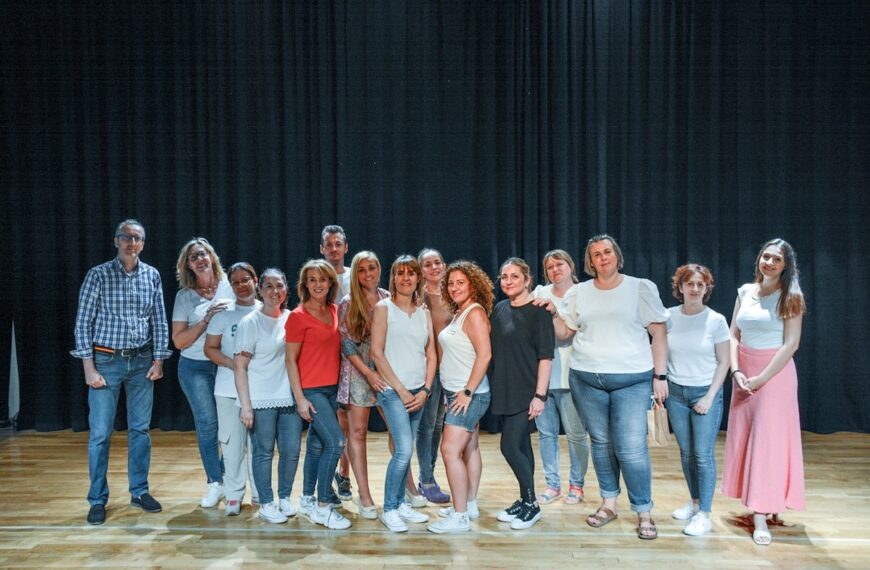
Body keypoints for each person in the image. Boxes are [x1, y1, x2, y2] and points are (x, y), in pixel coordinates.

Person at [543, 234, 669, 540]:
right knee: (601, 443)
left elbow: (659, 332)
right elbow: (565, 333)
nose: (603, 258)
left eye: (607, 252)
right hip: (586, 378)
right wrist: (551, 312)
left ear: (617, 255)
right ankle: (609, 503)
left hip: (631, 379)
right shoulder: (579, 292)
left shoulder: (640, 287)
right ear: (589, 261)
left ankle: (644, 510)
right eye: (596, 254)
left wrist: (660, 376)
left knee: (631, 449)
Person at [71, 219, 170, 525]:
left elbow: (160, 320)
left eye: (137, 238)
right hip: (106, 362)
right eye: (126, 237)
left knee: (140, 430)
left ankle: (139, 491)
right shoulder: (98, 275)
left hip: (141, 362)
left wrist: (159, 360)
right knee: (100, 434)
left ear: (143, 243)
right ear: (116, 241)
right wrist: (88, 368)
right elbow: (82, 323)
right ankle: (97, 498)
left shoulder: (151, 275)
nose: (131, 242)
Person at [721, 239, 806, 546]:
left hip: (774, 374)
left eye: (777, 259)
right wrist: (737, 371)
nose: (769, 262)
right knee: (747, 441)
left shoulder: (791, 296)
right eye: (766, 256)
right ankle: (761, 504)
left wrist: (760, 379)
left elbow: (791, 345)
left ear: (785, 266)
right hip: (743, 371)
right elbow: (732, 335)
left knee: (767, 444)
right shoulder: (744, 291)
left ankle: (760, 515)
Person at [370, 255, 438, 532]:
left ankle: (400, 503)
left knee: (404, 451)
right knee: (403, 450)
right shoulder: (383, 308)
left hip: (418, 392)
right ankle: (389, 508)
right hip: (391, 391)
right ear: (394, 278)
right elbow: (376, 352)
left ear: (418, 278)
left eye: (411, 273)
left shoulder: (424, 312)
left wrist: (426, 389)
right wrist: (399, 389)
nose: (406, 278)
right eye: (400, 273)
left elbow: (431, 353)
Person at [664, 264, 731, 536]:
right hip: (676, 393)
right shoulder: (667, 317)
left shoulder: (716, 320)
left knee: (703, 456)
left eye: (699, 285)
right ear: (680, 287)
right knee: (686, 453)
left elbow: (724, 361)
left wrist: (710, 396)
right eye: (689, 284)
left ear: (706, 288)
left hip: (705, 393)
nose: (694, 289)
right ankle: (694, 503)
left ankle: (705, 513)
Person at [427, 261, 493, 534]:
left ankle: (460, 516)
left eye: (460, 283)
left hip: (468, 394)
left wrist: (466, 391)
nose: (454, 287)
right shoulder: (460, 313)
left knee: (449, 450)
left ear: (473, 285)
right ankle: (469, 503)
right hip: (460, 392)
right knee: (470, 449)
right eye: (450, 283)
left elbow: (485, 354)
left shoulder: (474, 313)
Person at [285, 260, 352, 530]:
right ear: (304, 285)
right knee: (336, 443)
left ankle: (306, 498)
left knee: (316, 447)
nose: (317, 284)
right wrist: (300, 398)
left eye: (322, 279)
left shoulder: (335, 310)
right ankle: (324, 505)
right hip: (311, 391)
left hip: (331, 389)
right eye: (311, 280)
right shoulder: (297, 316)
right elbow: (290, 361)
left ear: (330, 283)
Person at [489, 258, 554, 530]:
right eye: (504, 276)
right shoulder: (500, 309)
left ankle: (532, 503)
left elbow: (546, 357)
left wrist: (540, 396)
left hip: (527, 391)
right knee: (523, 447)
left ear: (527, 280)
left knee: (509, 446)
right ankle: (524, 500)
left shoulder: (539, 312)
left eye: (515, 276)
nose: (508, 281)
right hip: (503, 388)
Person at [233, 268, 302, 524]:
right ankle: (266, 501)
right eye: (269, 286)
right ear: (260, 289)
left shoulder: (291, 317)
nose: (275, 291)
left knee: (291, 450)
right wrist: (246, 406)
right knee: (263, 452)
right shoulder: (250, 322)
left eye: (280, 286)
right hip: (261, 398)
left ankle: (285, 497)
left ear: (286, 289)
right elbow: (239, 367)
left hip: (289, 395)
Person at [171, 238, 234, 508]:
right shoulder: (184, 296)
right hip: (195, 366)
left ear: (212, 257)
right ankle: (214, 483)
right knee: (208, 424)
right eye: (193, 256)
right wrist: (206, 319)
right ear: (187, 265)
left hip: (225, 363)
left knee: (232, 424)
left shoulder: (230, 286)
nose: (199, 259)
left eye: (203, 253)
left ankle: (229, 477)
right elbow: (179, 341)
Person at [531, 250, 590, 506]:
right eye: (550, 266)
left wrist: (555, 315)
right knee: (546, 434)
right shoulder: (539, 293)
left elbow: (568, 333)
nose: (555, 270)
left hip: (573, 371)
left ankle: (576, 485)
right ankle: (552, 484)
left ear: (571, 265)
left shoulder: (584, 292)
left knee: (576, 434)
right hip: (544, 375)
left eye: (560, 264)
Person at [204, 262, 262, 515]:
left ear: (255, 280)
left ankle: (261, 494)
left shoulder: (269, 311)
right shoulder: (223, 314)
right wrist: (233, 364)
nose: (240, 286)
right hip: (227, 388)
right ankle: (234, 495)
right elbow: (210, 348)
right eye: (235, 282)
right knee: (232, 444)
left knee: (260, 446)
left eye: (245, 280)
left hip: (261, 390)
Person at [337, 251, 390, 519]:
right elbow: (346, 344)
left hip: (385, 371)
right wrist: (368, 373)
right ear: (355, 274)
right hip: (358, 371)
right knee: (357, 433)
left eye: (372, 268)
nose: (368, 273)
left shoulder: (387, 299)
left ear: (379, 269)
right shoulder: (348, 302)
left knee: (396, 429)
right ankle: (365, 495)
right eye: (361, 269)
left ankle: (406, 489)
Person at [415, 248, 451, 504]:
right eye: (427, 264)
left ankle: (429, 475)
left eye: (437, 262)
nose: (434, 267)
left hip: (451, 370)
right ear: (421, 270)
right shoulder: (418, 298)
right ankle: (426, 480)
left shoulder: (453, 294)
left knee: (438, 426)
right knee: (427, 427)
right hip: (429, 369)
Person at [320, 224, 353, 500]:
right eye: (328, 244)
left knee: (349, 422)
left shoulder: (355, 276)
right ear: (322, 249)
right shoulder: (316, 276)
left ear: (345, 247)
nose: (333, 249)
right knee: (329, 421)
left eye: (337, 244)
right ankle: (327, 475)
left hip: (352, 356)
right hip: (325, 356)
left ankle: (344, 474)